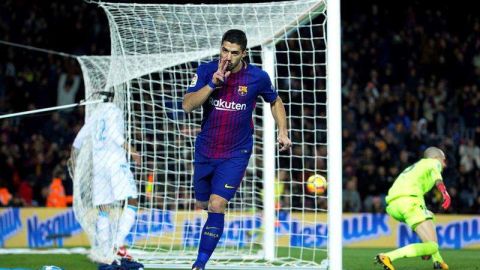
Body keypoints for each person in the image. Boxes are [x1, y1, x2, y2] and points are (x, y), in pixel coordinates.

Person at [183, 29, 292, 270]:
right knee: (203, 203)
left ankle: (199, 264)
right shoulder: (205, 71)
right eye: (224, 50)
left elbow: (275, 100)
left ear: (243, 53)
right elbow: (187, 105)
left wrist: (282, 130)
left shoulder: (257, 77)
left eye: (233, 53)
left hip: (236, 152)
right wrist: (212, 83)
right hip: (205, 150)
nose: (227, 57)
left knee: (217, 204)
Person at [71, 92, 142, 268]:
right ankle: (118, 242)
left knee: (103, 208)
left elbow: (78, 140)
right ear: (114, 98)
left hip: (99, 165)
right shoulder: (113, 110)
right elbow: (114, 134)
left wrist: (73, 160)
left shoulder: (95, 114)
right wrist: (132, 150)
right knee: (132, 199)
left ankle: (104, 251)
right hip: (115, 162)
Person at [375, 147, 451, 270]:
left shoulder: (415, 167)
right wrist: (445, 193)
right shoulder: (433, 162)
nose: (444, 164)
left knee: (430, 216)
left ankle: (438, 262)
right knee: (433, 246)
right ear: (437, 157)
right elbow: (438, 179)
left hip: (393, 206)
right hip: (410, 201)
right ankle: (388, 256)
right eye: (443, 160)